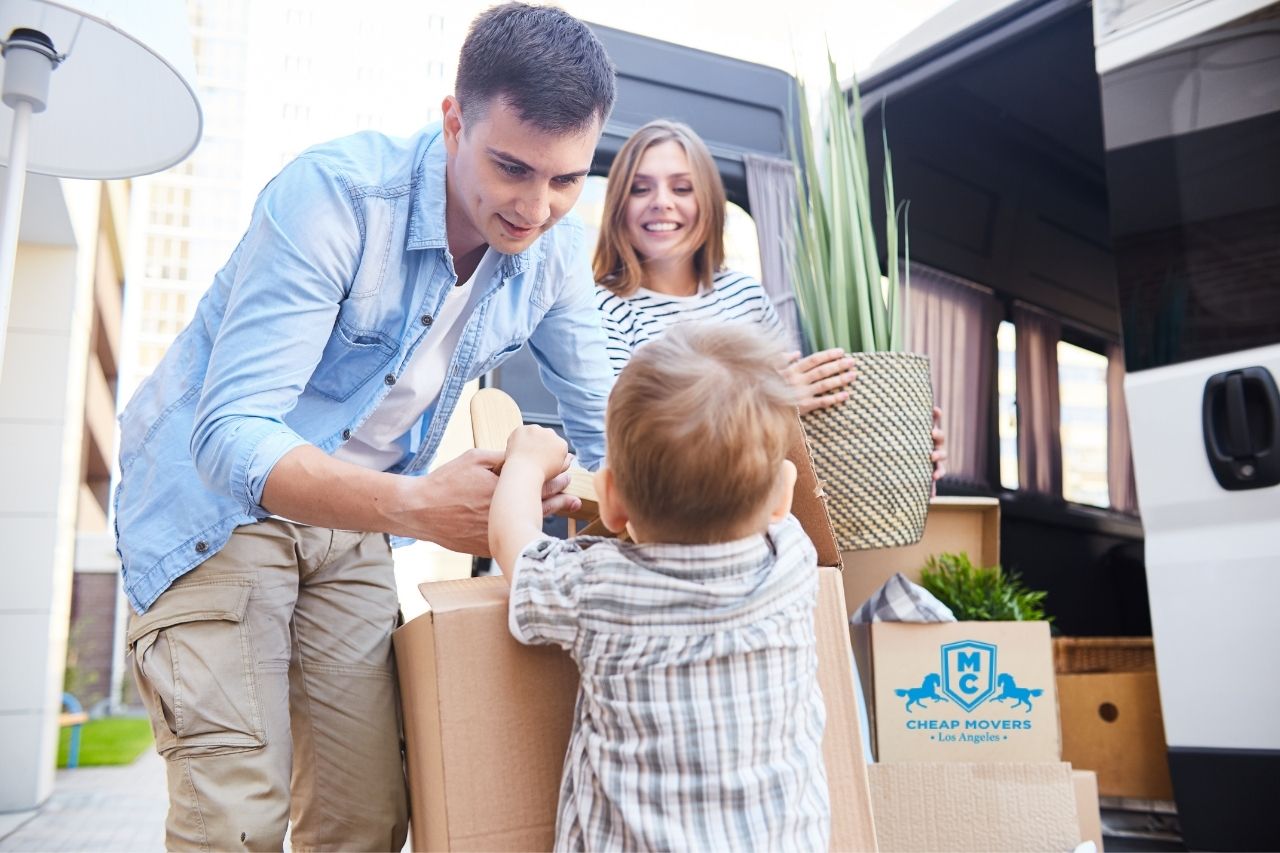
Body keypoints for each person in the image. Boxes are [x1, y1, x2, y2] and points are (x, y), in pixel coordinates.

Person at [115, 5, 615, 849]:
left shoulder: (556, 254)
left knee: (369, 818)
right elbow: (231, 432)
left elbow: (607, 429)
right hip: (215, 514)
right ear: (455, 121)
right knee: (237, 816)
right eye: (511, 168)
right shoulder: (337, 196)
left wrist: (596, 498)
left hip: (354, 529)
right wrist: (419, 507)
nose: (536, 207)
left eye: (566, 179)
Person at [490, 322, 831, 851]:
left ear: (611, 500)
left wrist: (525, 462)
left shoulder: (600, 589)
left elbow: (515, 548)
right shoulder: (791, 559)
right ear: (782, 496)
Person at [593, 119, 947, 473]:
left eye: (682, 188)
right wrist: (770, 399)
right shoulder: (603, 307)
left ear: (709, 202)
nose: (661, 202)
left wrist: (898, 444)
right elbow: (629, 441)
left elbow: (794, 421)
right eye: (640, 189)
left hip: (762, 508)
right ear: (618, 205)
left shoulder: (744, 295)